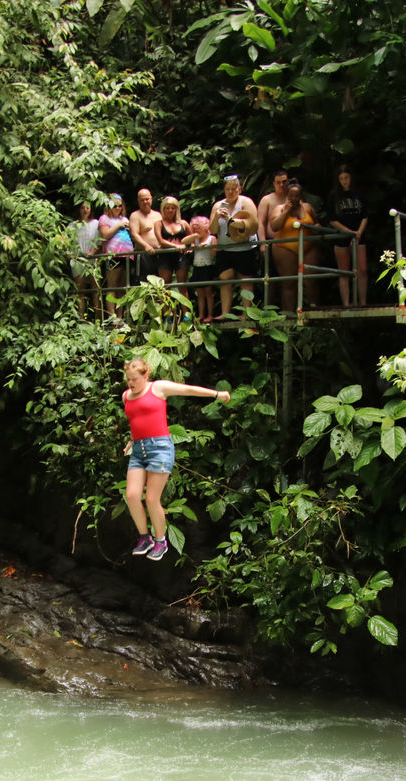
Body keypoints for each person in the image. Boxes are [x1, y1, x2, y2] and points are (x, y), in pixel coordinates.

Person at [122, 358, 231, 562]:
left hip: (159, 448)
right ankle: (144, 538)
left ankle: (160, 541)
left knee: (152, 499)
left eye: (135, 379)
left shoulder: (158, 388)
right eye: (128, 379)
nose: (131, 383)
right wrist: (131, 440)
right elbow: (135, 420)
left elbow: (188, 390)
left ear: (146, 375)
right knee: (131, 495)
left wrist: (217, 394)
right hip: (138, 449)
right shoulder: (126, 396)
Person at [211, 174, 260, 317]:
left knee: (245, 279)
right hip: (225, 249)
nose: (230, 192)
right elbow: (213, 230)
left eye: (233, 189)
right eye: (227, 189)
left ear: (239, 189)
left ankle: (247, 313)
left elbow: (251, 225)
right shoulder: (218, 205)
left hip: (245, 248)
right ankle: (225, 313)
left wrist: (230, 220)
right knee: (225, 279)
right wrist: (216, 217)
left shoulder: (246, 202)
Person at [268, 178, 320, 311]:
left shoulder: (307, 207)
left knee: (311, 280)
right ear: (287, 196)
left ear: (300, 196)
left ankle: (314, 309)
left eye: (296, 195)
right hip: (285, 248)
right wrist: (285, 212)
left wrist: (315, 227)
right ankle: (289, 313)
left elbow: (317, 223)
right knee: (289, 282)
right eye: (291, 195)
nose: (294, 198)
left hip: (307, 246)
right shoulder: (279, 209)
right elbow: (274, 226)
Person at [327, 164, 369, 306]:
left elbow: (365, 215)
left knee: (362, 269)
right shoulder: (334, 196)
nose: (345, 181)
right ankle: (346, 303)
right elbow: (332, 219)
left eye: (347, 178)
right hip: (342, 235)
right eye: (341, 178)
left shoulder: (359, 194)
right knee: (344, 271)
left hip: (359, 234)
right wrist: (348, 232)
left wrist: (358, 233)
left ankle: (363, 303)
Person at [98, 195, 134, 316]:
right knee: (112, 285)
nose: (117, 208)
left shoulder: (124, 218)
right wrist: (119, 225)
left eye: (120, 206)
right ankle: (112, 316)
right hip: (112, 255)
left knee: (123, 286)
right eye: (115, 206)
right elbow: (104, 235)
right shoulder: (105, 218)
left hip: (127, 255)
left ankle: (120, 316)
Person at [69, 201, 102, 317]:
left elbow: (100, 242)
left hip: (92, 258)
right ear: (79, 209)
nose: (85, 210)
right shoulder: (72, 225)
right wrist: (69, 254)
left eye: (87, 207)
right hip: (77, 260)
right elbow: (65, 242)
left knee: (95, 288)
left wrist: (93, 252)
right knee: (80, 289)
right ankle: (81, 317)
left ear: (91, 209)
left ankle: (98, 317)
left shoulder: (96, 224)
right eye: (82, 207)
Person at [183, 215, 218, 322]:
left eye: (198, 227)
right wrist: (195, 236)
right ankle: (201, 315)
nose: (196, 230)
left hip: (207, 268)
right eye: (194, 228)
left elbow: (215, 251)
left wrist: (207, 245)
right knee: (200, 293)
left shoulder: (212, 238)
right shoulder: (196, 240)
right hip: (197, 268)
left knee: (208, 292)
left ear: (205, 227)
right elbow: (184, 241)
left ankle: (210, 315)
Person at [256, 169, 290, 269]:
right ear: (274, 183)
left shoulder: (293, 198)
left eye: (284, 182)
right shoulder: (267, 200)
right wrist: (263, 243)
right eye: (278, 182)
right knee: (272, 277)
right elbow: (260, 223)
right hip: (272, 242)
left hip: (291, 240)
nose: (281, 185)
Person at [155, 195, 191, 288]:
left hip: (181, 255)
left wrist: (191, 247)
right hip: (165, 255)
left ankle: (184, 303)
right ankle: (165, 303)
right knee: (165, 286)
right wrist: (175, 246)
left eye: (173, 208)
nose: (170, 210)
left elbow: (192, 237)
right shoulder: (158, 224)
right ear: (163, 209)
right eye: (167, 208)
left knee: (182, 285)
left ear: (176, 209)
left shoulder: (183, 223)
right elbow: (161, 241)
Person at [129, 188, 162, 284]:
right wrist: (146, 246)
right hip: (143, 254)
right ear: (138, 201)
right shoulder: (135, 216)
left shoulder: (158, 215)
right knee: (144, 282)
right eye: (142, 200)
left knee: (160, 283)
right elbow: (134, 234)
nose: (145, 202)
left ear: (151, 199)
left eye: (147, 199)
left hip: (159, 253)